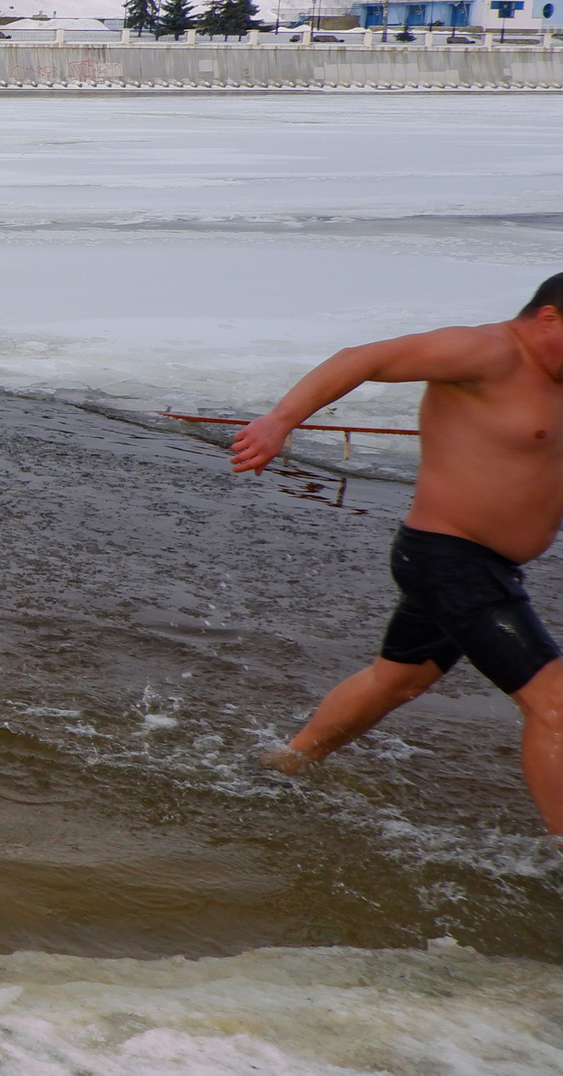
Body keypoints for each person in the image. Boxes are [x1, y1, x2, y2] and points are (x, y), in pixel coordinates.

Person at [232, 272, 563, 832]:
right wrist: (280, 420)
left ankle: (285, 762)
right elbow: (362, 358)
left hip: (489, 567)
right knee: (554, 704)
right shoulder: (484, 352)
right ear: (550, 319)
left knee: (400, 679)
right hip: (447, 558)